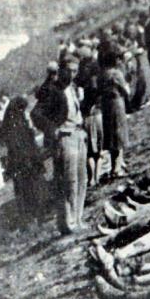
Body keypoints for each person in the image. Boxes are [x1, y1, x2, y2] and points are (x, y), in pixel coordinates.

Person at [33, 54, 87, 236]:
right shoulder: (52, 90)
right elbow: (36, 114)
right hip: (65, 138)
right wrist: (52, 129)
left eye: (75, 71)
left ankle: (78, 219)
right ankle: (67, 223)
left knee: (81, 179)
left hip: (79, 135)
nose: (72, 75)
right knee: (68, 182)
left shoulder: (72, 88)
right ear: (61, 70)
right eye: (69, 71)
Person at [1, 96, 47, 228]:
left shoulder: (11, 123)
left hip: (21, 163)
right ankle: (37, 216)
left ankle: (31, 217)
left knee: (25, 190)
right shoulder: (17, 123)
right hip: (26, 162)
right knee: (33, 188)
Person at [99, 50, 132, 177]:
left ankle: (117, 164)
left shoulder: (102, 74)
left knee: (111, 135)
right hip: (116, 103)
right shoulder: (116, 73)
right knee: (119, 134)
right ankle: (116, 168)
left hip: (106, 105)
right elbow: (125, 90)